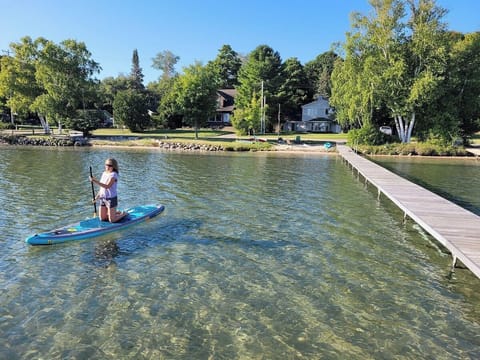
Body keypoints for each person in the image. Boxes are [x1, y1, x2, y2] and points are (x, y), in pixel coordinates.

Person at [89, 158, 127, 223]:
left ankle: (123, 214)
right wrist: (96, 197)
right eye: (106, 165)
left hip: (111, 199)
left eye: (110, 165)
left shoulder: (114, 175)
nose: (107, 167)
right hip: (102, 198)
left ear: (114, 166)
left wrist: (94, 180)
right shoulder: (104, 173)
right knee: (102, 218)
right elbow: (102, 188)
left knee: (112, 220)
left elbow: (107, 186)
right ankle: (114, 212)